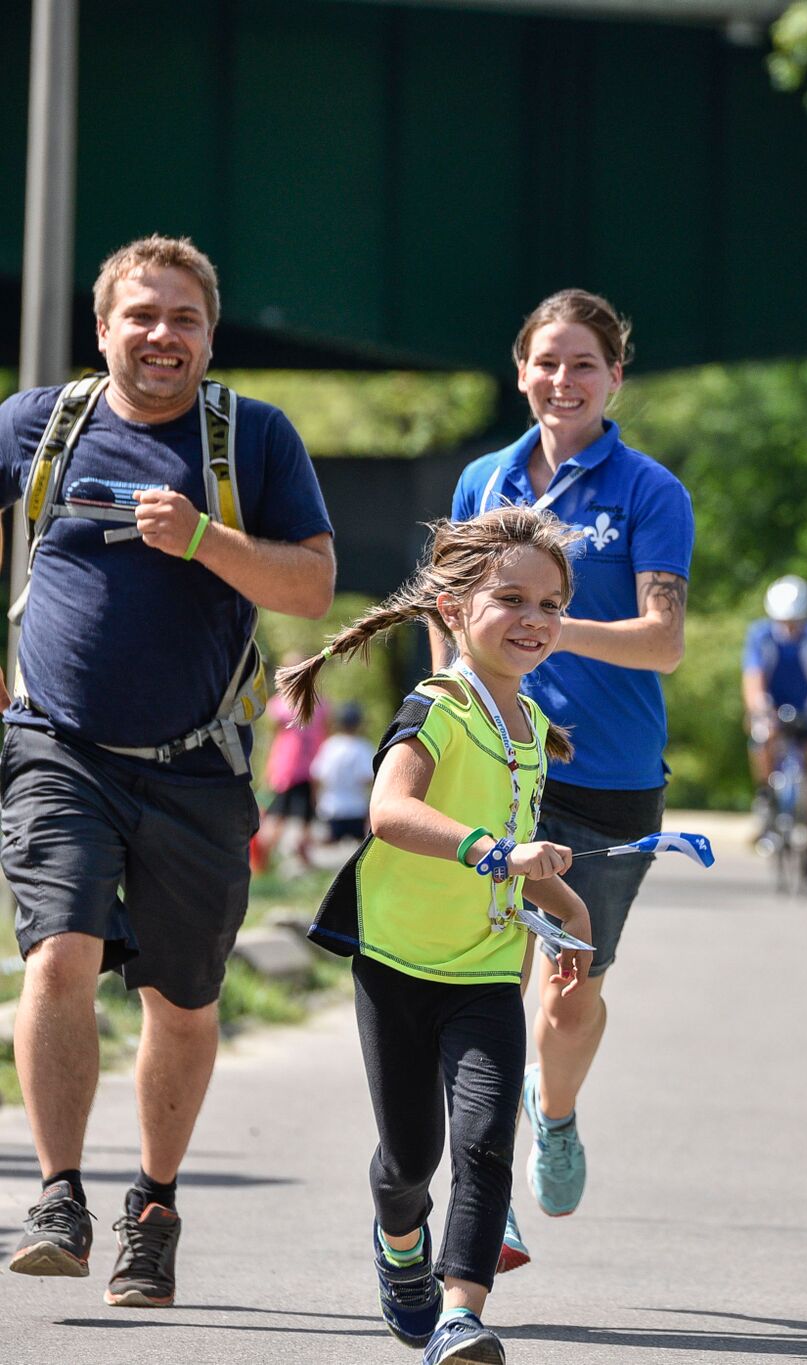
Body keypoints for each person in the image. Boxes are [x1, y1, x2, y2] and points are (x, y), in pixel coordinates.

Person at [0, 235, 334, 1306]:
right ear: (103, 330)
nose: (161, 335)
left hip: (198, 764)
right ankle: (57, 1194)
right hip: (57, 744)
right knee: (57, 957)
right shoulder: (38, 425)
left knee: (181, 1001)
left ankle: (152, 1204)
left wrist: (204, 542)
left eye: (182, 318)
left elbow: (313, 589)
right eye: (141, 315)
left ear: (208, 334)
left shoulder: (255, 440)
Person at [285, 504, 592, 1365]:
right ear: (454, 609)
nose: (534, 619)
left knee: (487, 1136)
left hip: (489, 971)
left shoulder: (531, 728)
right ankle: (398, 1237)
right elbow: (389, 812)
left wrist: (571, 913)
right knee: (410, 1159)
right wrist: (495, 852)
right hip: (396, 963)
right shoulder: (439, 706)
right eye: (512, 599)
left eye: (551, 604)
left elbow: (518, 842)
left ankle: (462, 1313)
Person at [440, 288, 692, 1266]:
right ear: (520, 370)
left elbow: (662, 641)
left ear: (614, 378)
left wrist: (537, 624)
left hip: (609, 781)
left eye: (583, 364)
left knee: (566, 990)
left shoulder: (646, 492)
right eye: (546, 362)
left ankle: (555, 1113)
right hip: (497, 765)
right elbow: (442, 613)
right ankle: (484, 1185)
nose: (562, 381)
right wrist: (440, 715)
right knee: (478, 981)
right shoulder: (481, 483)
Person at [743, 574, 807, 853]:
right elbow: (754, 680)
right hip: (771, 708)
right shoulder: (760, 635)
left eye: (795, 620)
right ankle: (765, 796)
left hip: (805, 712)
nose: (790, 627)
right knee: (765, 738)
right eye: (784, 620)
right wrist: (760, 709)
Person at [259, 663, 328, 872]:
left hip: (301, 769)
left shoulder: (315, 704)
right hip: (293, 770)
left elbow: (325, 733)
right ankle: (261, 860)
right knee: (281, 817)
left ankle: (301, 860)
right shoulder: (285, 705)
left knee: (302, 817)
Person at [312, 701, 375, 845]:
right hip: (356, 808)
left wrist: (315, 800)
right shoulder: (362, 747)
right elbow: (367, 778)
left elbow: (317, 775)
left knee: (328, 846)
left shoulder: (329, 745)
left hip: (331, 808)